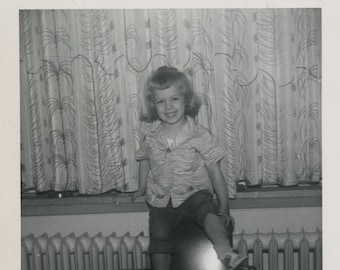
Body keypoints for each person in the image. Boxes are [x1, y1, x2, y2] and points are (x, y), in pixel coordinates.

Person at [132, 66, 248, 270]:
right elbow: (144, 160)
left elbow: (215, 171)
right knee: (158, 234)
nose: (168, 107)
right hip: (162, 200)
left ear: (185, 99)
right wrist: (141, 188)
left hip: (194, 194)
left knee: (209, 216)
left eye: (174, 99)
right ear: (154, 105)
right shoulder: (150, 137)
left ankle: (226, 253)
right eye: (161, 101)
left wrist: (224, 206)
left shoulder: (200, 135)